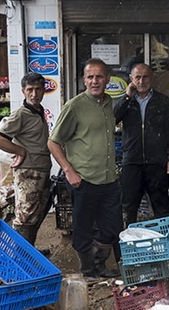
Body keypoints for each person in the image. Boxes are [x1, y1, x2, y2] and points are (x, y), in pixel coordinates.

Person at [47, 58, 122, 279]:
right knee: (83, 229)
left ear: (107, 79)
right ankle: (88, 271)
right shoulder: (75, 106)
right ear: (84, 80)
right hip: (84, 179)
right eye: (90, 77)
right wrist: (69, 171)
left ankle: (99, 265)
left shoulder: (108, 103)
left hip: (109, 178)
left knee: (112, 227)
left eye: (99, 76)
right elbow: (53, 142)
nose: (95, 81)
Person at [114, 62, 169, 226]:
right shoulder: (126, 102)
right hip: (132, 161)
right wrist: (127, 96)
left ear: (152, 78)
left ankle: (165, 240)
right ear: (131, 79)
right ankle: (129, 241)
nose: (141, 81)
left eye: (145, 77)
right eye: (137, 77)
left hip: (157, 162)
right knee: (129, 206)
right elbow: (113, 118)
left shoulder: (162, 101)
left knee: (161, 205)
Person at [0, 72, 51, 246]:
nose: (34, 94)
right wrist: (20, 151)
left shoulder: (38, 111)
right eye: (30, 90)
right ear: (23, 91)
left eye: (38, 89)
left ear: (43, 91)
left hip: (41, 169)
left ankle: (29, 253)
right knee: (25, 218)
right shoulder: (21, 114)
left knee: (36, 214)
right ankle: (18, 258)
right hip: (28, 172)